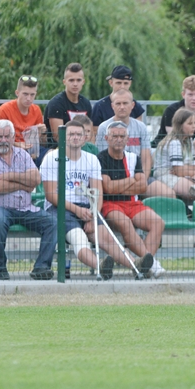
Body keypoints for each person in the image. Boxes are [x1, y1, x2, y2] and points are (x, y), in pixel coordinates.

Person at [40, 119, 130, 280]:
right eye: (71, 134)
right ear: (63, 137)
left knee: (106, 237)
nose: (75, 137)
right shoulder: (52, 158)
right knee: (79, 238)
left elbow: (97, 191)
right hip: (60, 208)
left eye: (79, 134)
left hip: (87, 207)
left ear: (84, 138)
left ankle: (138, 265)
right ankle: (100, 266)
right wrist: (77, 210)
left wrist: (93, 215)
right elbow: (51, 195)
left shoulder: (91, 159)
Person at [0, 120, 57, 280]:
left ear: (13, 137)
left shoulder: (23, 155)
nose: (3, 140)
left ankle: (41, 267)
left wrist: (10, 177)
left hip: (25, 207)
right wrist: (23, 184)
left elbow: (35, 179)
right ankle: (0, 268)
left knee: (53, 222)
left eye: (7, 136)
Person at [97, 121, 162, 277]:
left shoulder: (134, 157)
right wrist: (131, 180)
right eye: (115, 136)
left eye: (122, 136)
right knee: (125, 223)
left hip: (133, 202)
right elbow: (107, 189)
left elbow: (142, 187)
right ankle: (151, 265)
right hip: (110, 204)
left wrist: (118, 185)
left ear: (127, 139)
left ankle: (144, 264)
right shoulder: (101, 158)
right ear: (106, 138)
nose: (118, 139)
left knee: (158, 222)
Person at [154, 108, 195, 249]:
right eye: (190, 123)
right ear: (180, 125)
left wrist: (187, 170)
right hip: (166, 176)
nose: (194, 127)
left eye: (194, 123)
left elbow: (191, 168)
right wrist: (186, 170)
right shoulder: (174, 142)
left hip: (182, 176)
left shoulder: (188, 141)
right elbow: (179, 170)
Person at [95, 89, 172, 199]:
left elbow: (146, 158)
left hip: (139, 176)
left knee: (168, 194)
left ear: (132, 105)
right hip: (114, 179)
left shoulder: (141, 127)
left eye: (125, 103)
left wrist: (142, 182)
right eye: (118, 103)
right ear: (112, 106)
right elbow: (102, 159)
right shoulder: (104, 127)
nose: (122, 107)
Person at [0, 75, 48, 166]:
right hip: (10, 149)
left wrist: (42, 133)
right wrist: (17, 145)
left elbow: (43, 143)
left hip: (32, 149)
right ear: (17, 93)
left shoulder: (36, 110)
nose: (29, 98)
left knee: (52, 155)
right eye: (25, 94)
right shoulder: (4, 110)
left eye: (32, 95)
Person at [152, 75, 195, 146]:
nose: (194, 98)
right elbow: (173, 137)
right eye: (190, 94)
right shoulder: (172, 110)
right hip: (166, 148)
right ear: (183, 94)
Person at [90, 65, 146, 140]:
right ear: (111, 83)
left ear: (130, 83)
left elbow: (138, 134)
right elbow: (95, 136)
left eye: (126, 83)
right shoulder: (99, 106)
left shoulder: (136, 107)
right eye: (118, 83)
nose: (122, 86)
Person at [44, 63, 93, 147]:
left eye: (78, 80)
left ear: (83, 82)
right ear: (64, 82)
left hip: (83, 148)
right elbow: (58, 136)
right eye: (71, 80)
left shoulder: (86, 103)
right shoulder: (56, 103)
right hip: (58, 149)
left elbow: (90, 133)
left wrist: (91, 149)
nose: (75, 84)